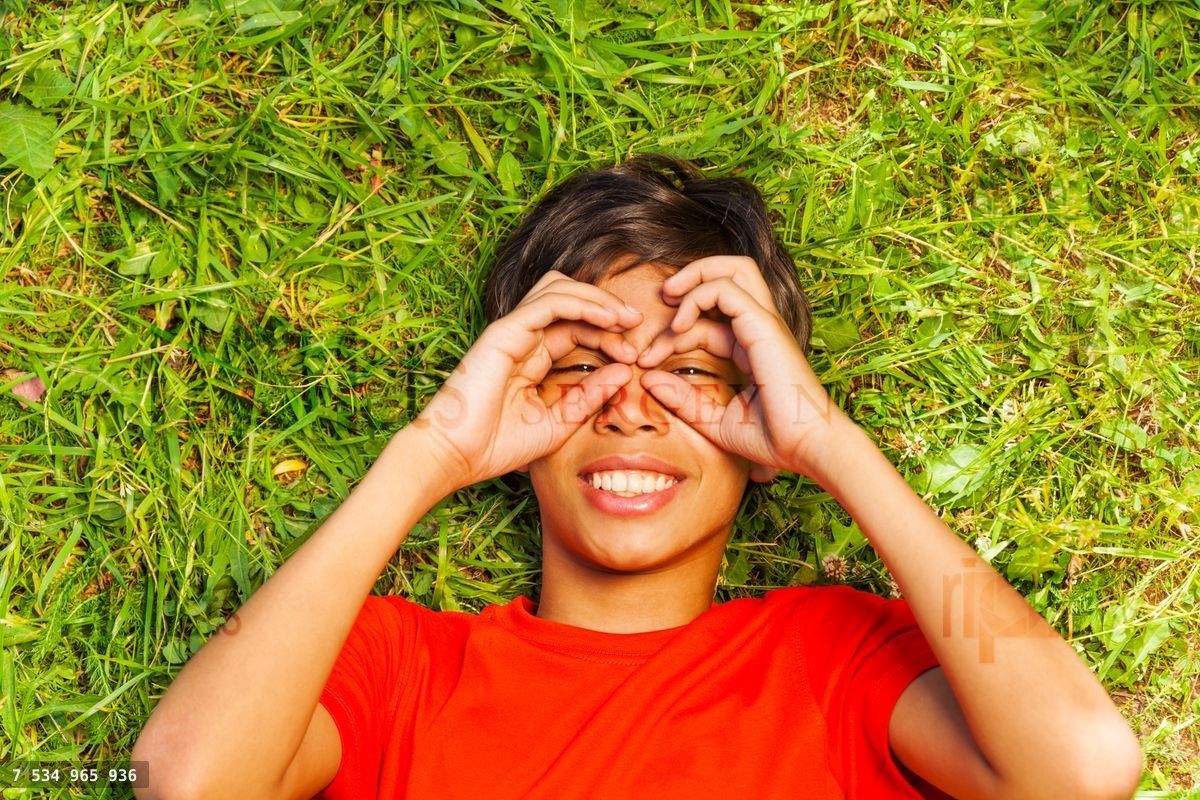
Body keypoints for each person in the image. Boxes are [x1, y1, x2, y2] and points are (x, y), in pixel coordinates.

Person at [131, 155, 1143, 800]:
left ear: (759, 420)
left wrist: (832, 442)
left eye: (693, 375)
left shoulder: (829, 659)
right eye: (581, 370)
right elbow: (185, 779)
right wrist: (428, 453)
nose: (629, 407)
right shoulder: (399, 667)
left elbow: (1085, 768)